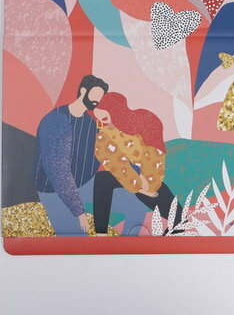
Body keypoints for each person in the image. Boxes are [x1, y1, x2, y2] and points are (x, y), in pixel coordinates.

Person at [33, 75, 149, 236]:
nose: (98, 100)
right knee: (77, 237)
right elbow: (58, 172)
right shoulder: (56, 120)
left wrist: (137, 174)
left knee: (138, 204)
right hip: (54, 191)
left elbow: (111, 152)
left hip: (86, 184)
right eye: (95, 94)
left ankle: (125, 246)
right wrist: (79, 211)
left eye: (101, 97)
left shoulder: (90, 122)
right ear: (83, 91)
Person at [92, 92, 182, 235]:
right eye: (98, 113)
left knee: (179, 219)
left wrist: (147, 182)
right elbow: (116, 164)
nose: (100, 115)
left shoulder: (142, 121)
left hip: (150, 174)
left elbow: (154, 154)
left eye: (104, 109)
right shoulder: (103, 136)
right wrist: (139, 186)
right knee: (102, 179)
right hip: (129, 175)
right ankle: (100, 232)